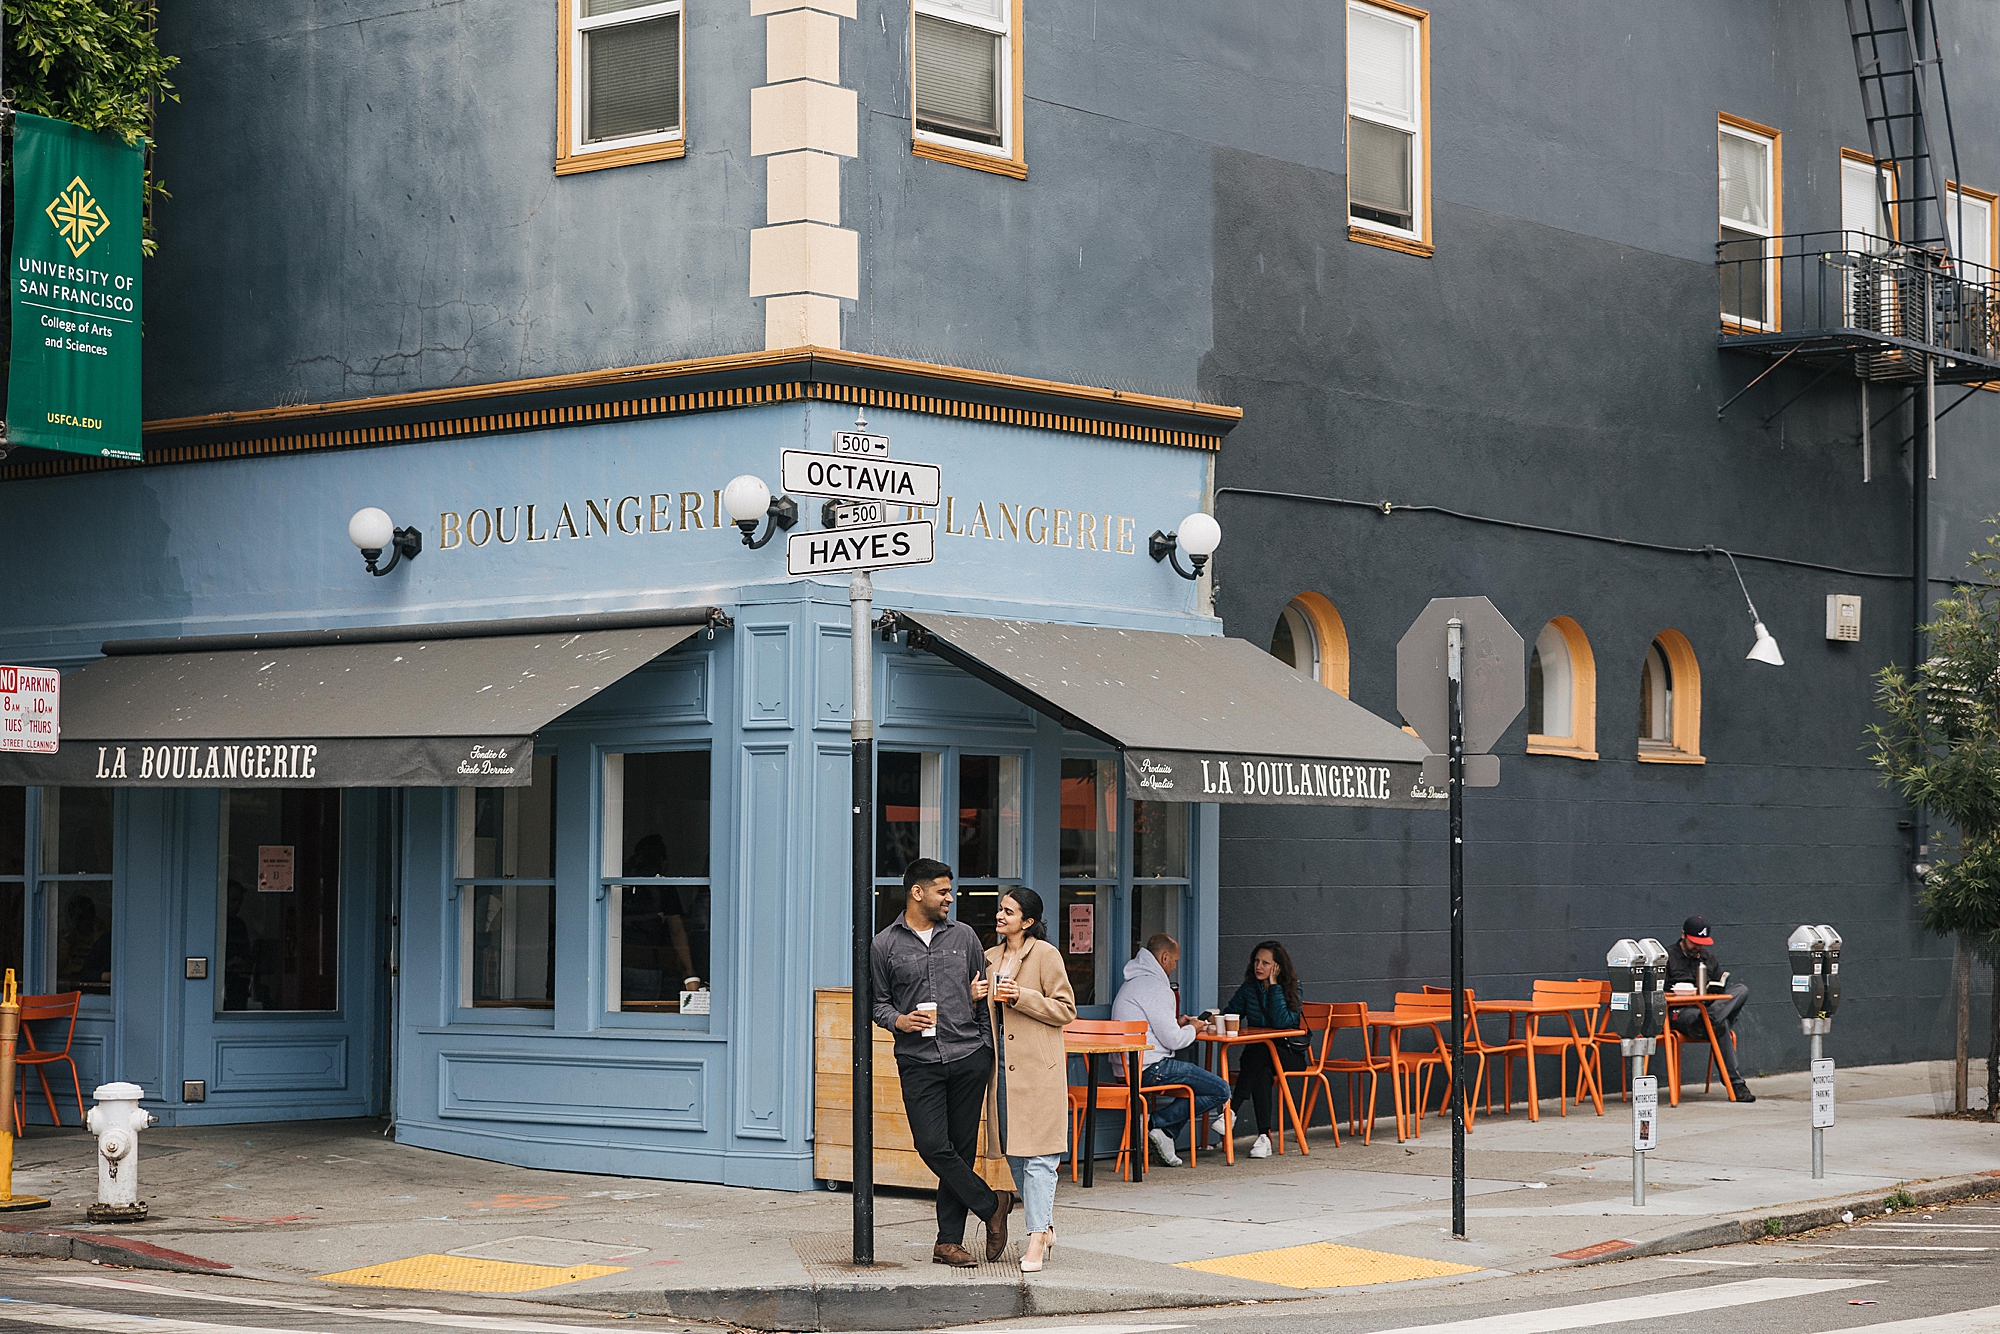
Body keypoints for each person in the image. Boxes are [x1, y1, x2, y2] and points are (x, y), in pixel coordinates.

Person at [870, 857, 1015, 1267]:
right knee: (932, 1145)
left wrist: (985, 1046)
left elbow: (982, 993)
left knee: (961, 1149)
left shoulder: (965, 937)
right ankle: (992, 1205)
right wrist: (899, 1020)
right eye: (942, 891)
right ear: (918, 893)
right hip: (918, 1060)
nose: (950, 897)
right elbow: (877, 1003)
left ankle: (948, 1242)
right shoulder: (884, 945)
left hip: (967, 1054)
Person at [971, 888, 1075, 1272]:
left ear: (1027, 921)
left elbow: (1066, 1010)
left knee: (1041, 1159)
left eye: (1009, 912)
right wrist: (973, 994)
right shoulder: (989, 957)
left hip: (1040, 1072)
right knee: (1015, 1153)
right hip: (1002, 1071)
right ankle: (1044, 1226)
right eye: (1001, 910)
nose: (1000, 916)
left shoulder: (1046, 955)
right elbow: (982, 1016)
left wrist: (1022, 996)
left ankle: (1034, 1241)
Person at [1109, 933, 1231, 1167]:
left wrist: (1179, 1023)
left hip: (1125, 1069)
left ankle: (1164, 1133)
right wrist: (1194, 1028)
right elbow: (1174, 1041)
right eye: (1174, 961)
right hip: (1149, 1068)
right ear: (1164, 957)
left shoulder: (1133, 983)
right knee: (1220, 1089)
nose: (1175, 966)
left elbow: (1155, 1029)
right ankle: (1155, 1123)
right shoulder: (1156, 986)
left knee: (1205, 1088)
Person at [1221, 940, 1308, 1158]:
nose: (1258, 966)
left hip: (1290, 1054)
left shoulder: (1292, 988)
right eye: (1256, 961)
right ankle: (1264, 1137)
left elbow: (1282, 1022)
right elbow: (1231, 1012)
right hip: (1260, 1058)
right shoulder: (1249, 988)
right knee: (1261, 1068)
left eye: (1265, 963)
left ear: (1277, 967)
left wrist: (1275, 987)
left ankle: (1232, 1109)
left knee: (1260, 1050)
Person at [1664, 915, 1755, 1103]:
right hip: (1683, 1014)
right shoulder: (1668, 956)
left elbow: (1719, 985)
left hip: (1708, 1011)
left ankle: (1710, 1019)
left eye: (1702, 943)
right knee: (1721, 1025)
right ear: (1683, 935)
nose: (1698, 947)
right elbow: (1658, 994)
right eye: (1694, 943)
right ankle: (1736, 1085)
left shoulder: (1708, 958)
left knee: (1741, 990)